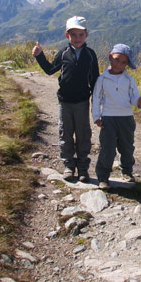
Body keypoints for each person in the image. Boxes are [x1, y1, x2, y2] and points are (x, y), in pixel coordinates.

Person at [32, 16, 99, 182]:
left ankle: (83, 168)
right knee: (65, 133)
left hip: (82, 101)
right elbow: (49, 70)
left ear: (86, 35)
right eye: (73, 35)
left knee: (83, 134)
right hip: (65, 102)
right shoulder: (63, 53)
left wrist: (97, 103)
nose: (77, 38)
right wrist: (40, 56)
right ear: (67, 35)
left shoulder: (90, 55)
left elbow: (95, 80)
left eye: (80, 35)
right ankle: (69, 166)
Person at [92, 43, 141, 190]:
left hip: (126, 118)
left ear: (127, 64)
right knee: (107, 148)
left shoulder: (129, 80)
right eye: (116, 59)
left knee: (127, 147)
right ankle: (103, 177)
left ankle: (127, 171)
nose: (118, 64)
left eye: (123, 62)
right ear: (110, 57)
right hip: (108, 117)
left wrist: (138, 102)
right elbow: (96, 98)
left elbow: (134, 97)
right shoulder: (102, 79)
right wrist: (96, 116)